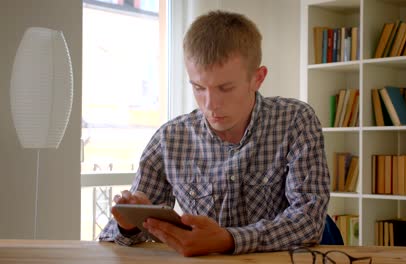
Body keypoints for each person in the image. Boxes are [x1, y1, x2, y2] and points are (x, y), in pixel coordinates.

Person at [99, 10, 330, 257]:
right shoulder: (170, 139)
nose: (211, 104)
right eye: (199, 88)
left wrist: (229, 240)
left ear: (257, 78)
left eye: (226, 88)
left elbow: (309, 220)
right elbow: (115, 235)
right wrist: (129, 226)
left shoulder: (295, 121)